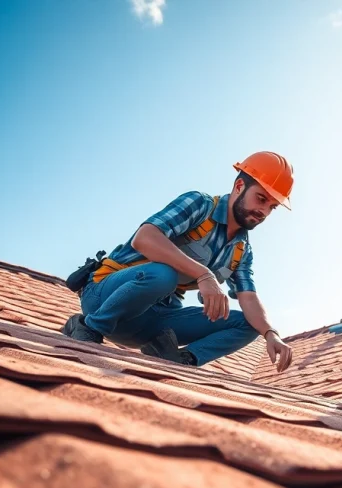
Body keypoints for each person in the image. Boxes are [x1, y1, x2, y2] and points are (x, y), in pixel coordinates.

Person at [62, 152, 294, 372]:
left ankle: (181, 359)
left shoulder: (242, 250)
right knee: (164, 275)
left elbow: (249, 297)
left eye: (271, 207)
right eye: (261, 199)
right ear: (239, 186)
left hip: (151, 322)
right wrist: (204, 274)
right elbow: (144, 238)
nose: (263, 211)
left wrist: (271, 333)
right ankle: (88, 327)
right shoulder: (200, 205)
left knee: (249, 325)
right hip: (105, 298)